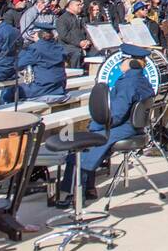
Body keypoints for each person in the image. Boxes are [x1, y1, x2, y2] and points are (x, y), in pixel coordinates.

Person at [58, 43, 156, 204]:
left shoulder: (128, 83)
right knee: (88, 139)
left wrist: (96, 125)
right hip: (133, 127)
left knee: (80, 149)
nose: (120, 63)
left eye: (123, 60)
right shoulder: (140, 79)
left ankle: (76, 194)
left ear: (131, 63)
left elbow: (116, 115)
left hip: (123, 128)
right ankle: (89, 189)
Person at [8, 19, 69, 102]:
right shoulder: (59, 48)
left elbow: (18, 65)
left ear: (38, 34)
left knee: (8, 92)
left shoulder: (36, 48)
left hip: (42, 88)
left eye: (34, 33)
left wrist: (23, 50)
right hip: (59, 88)